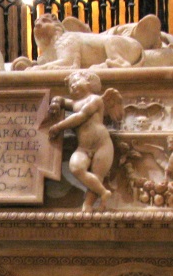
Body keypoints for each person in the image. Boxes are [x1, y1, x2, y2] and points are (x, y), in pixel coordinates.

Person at [47, 70, 122, 211]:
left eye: (76, 81)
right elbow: (61, 99)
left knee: (97, 175)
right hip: (83, 147)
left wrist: (58, 126)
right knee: (76, 168)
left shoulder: (95, 99)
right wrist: (56, 102)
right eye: (70, 85)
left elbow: (81, 116)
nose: (73, 86)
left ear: (89, 82)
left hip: (102, 144)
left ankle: (87, 205)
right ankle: (103, 192)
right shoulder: (75, 103)